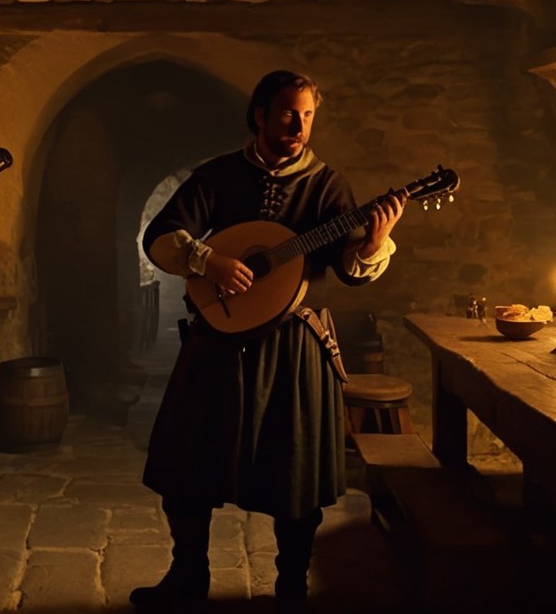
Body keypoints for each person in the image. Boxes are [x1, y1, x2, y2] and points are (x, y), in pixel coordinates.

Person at [132, 70, 406, 611]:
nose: (298, 125)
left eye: (307, 115)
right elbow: (160, 237)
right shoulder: (217, 177)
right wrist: (210, 259)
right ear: (260, 114)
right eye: (287, 112)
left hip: (292, 345)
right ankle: (188, 578)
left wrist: (375, 243)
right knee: (187, 467)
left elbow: (349, 269)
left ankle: (290, 588)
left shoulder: (328, 186)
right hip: (218, 339)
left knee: (294, 473)